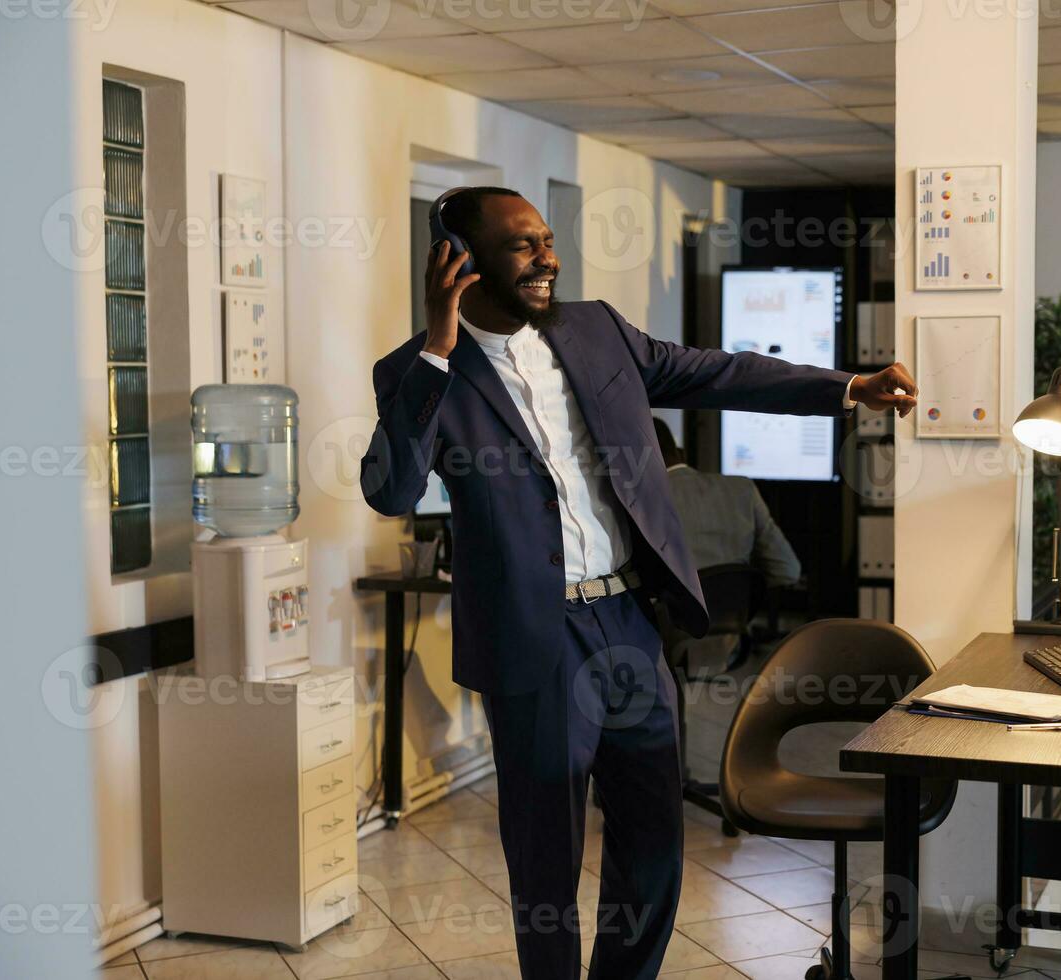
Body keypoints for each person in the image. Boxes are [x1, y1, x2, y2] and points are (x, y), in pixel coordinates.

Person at [360, 186, 917, 980]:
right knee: (547, 866)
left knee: (655, 844)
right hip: (534, 641)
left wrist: (848, 388)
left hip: (627, 620)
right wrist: (439, 349)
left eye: (547, 239)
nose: (547, 257)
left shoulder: (594, 330)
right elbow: (390, 489)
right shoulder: (419, 372)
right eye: (523, 245)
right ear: (458, 264)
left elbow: (716, 373)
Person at [651, 417, 801, 587]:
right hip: (736, 610)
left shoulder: (643, 500)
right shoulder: (744, 489)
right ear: (681, 453)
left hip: (674, 610)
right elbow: (788, 571)